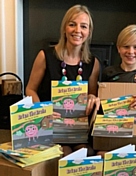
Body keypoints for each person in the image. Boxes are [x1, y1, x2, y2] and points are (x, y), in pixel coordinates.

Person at [25, 4, 100, 156]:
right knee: (63, 153)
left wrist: (93, 98)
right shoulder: (45, 56)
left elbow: (92, 94)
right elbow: (30, 89)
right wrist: (43, 112)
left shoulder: (93, 63)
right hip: (50, 124)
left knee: (86, 153)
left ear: (89, 32)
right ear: (65, 28)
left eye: (83, 26)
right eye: (72, 24)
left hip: (77, 127)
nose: (77, 30)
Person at [98, 24, 136, 157]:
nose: (130, 51)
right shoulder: (108, 72)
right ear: (119, 49)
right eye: (126, 46)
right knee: (101, 154)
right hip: (113, 128)